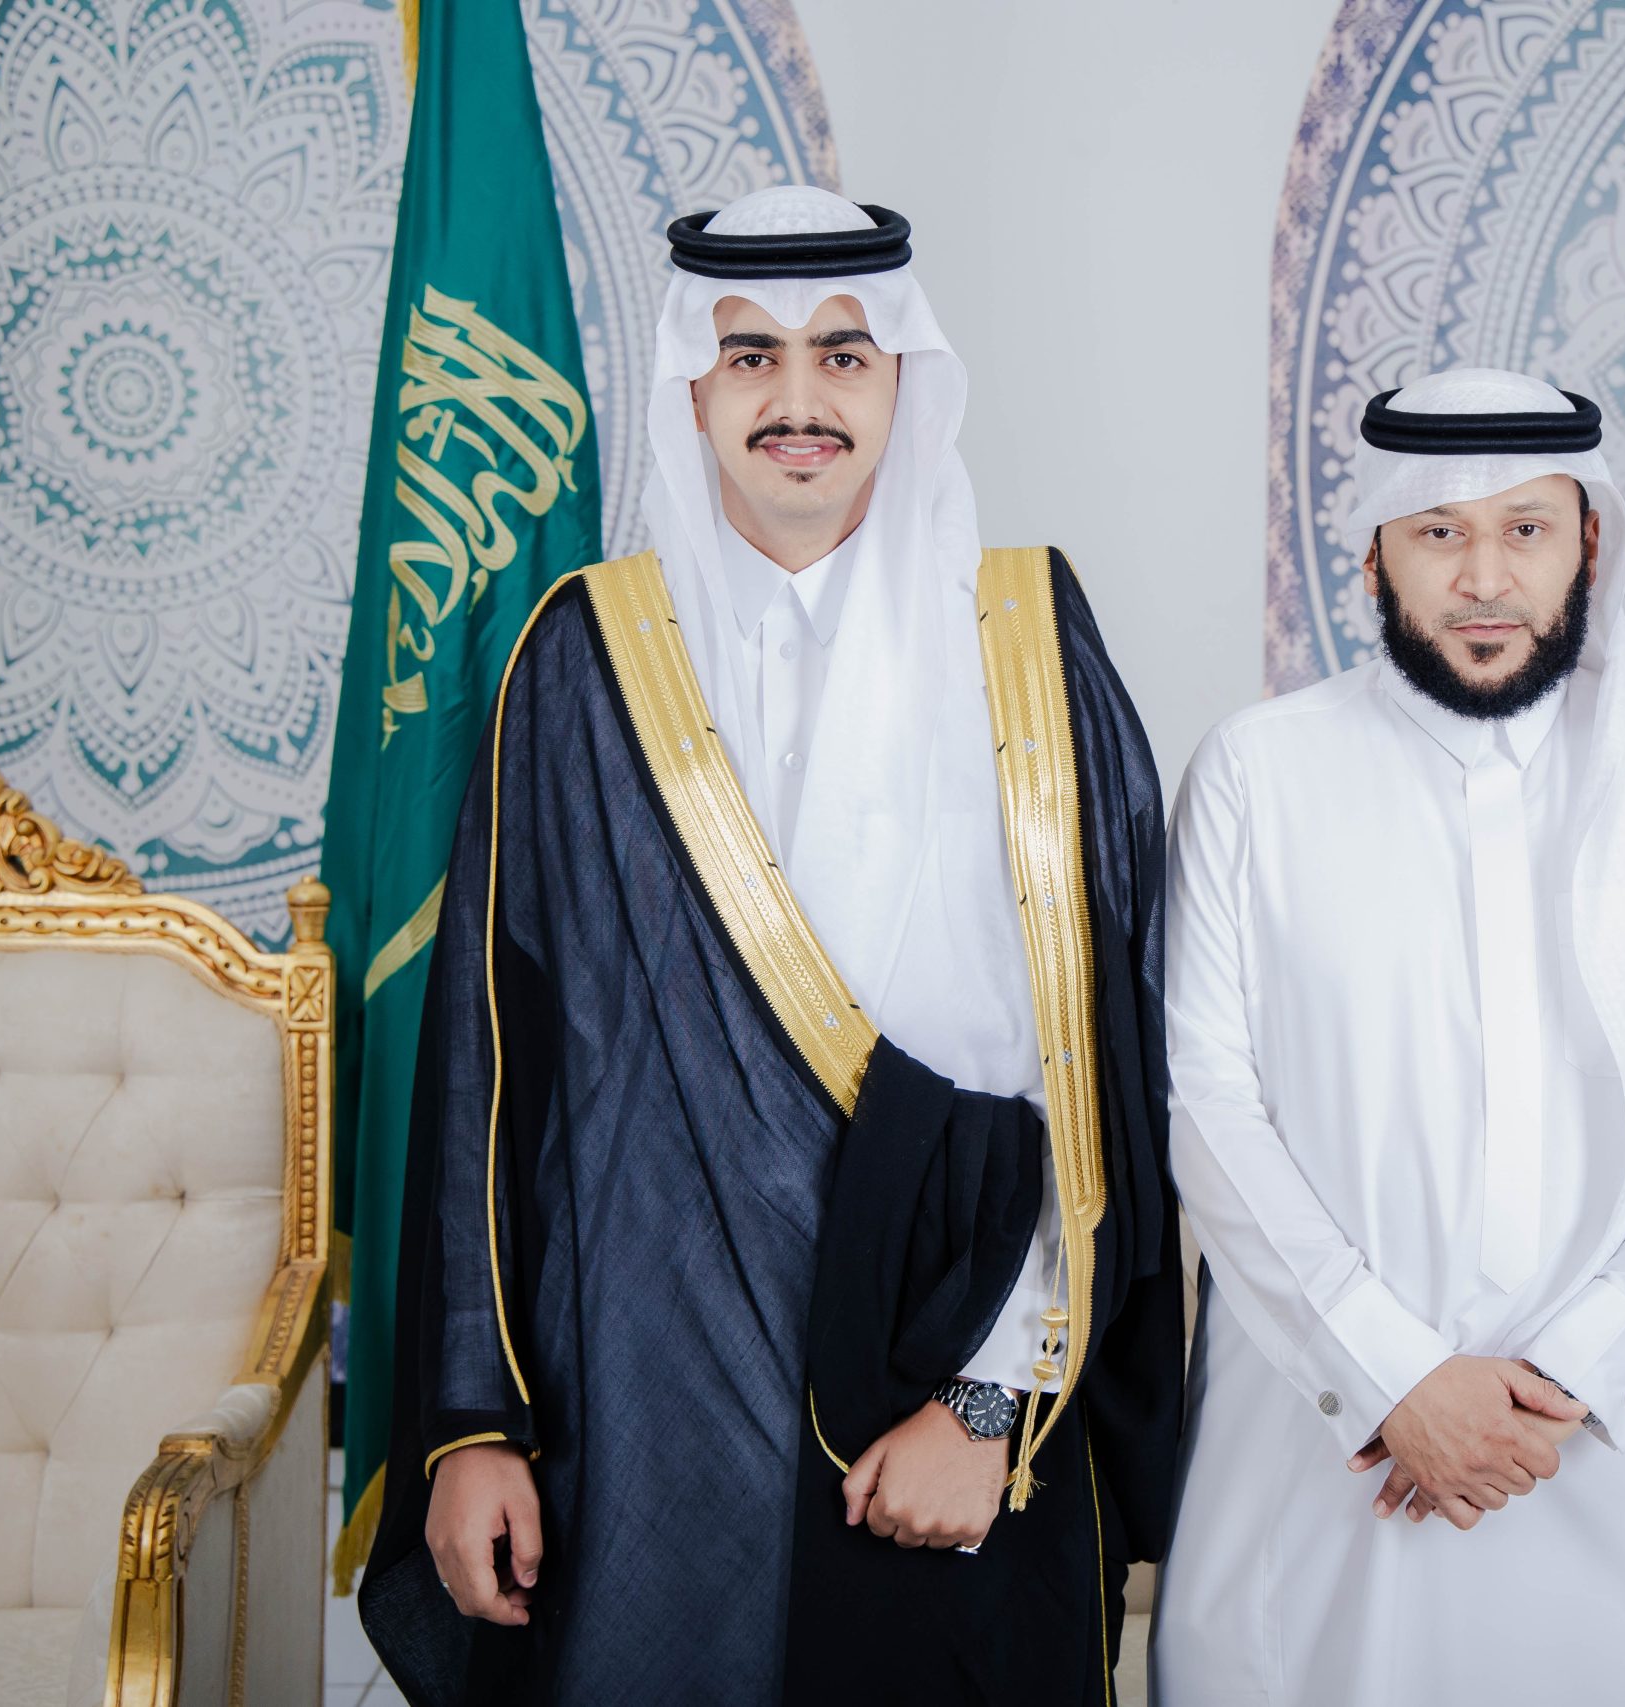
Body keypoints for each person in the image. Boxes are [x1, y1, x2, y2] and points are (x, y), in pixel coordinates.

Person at [356, 187, 1183, 1706]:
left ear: (904, 382)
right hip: (644, 1398)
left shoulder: (1026, 640)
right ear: (693, 389)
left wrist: (991, 1402)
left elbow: (1107, 1073)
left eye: (843, 356)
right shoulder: (582, 654)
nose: (799, 401)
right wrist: (476, 1424)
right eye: (751, 357)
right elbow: (488, 1069)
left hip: (950, 1387)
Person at [1153, 367, 1625, 1703]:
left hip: (1623, 1446)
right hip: (1336, 1444)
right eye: (1439, 533)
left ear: (1590, 545)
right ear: (1374, 558)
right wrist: (1392, 1375)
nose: (1484, 579)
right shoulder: (1258, 772)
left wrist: (1577, 1367)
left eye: (1526, 530)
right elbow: (1205, 1106)